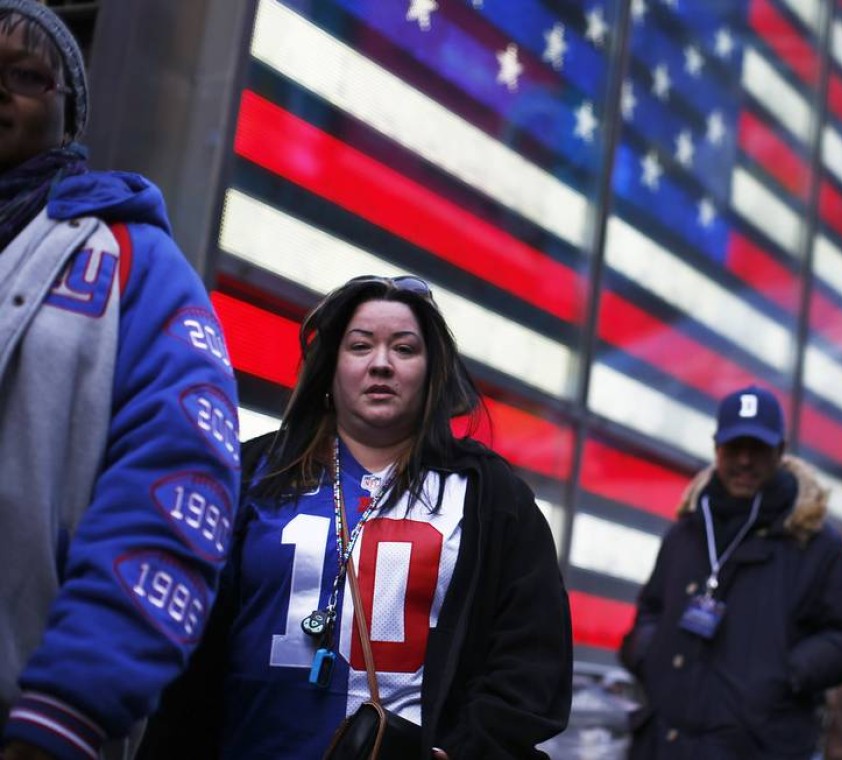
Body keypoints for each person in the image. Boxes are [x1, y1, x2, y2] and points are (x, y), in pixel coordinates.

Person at [140, 274, 573, 759]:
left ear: (433, 372)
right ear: (331, 366)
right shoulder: (252, 474)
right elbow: (185, 630)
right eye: (360, 346)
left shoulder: (491, 497)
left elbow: (532, 655)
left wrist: (469, 749)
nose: (382, 364)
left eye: (405, 349)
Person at [0, 1, 242, 758]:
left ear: (70, 114)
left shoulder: (139, 266)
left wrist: (65, 712)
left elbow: (173, 487)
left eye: (27, 76)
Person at [621, 385, 842, 758]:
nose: (744, 461)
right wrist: (648, 655)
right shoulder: (686, 531)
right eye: (734, 448)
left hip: (759, 746)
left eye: (758, 449)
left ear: (781, 452)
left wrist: (788, 674)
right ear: (716, 448)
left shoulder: (813, 542)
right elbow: (650, 609)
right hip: (663, 745)